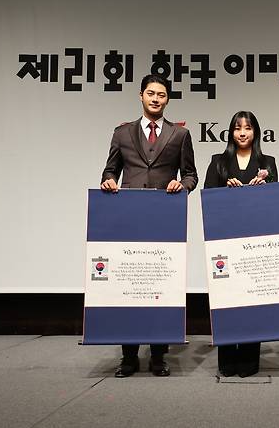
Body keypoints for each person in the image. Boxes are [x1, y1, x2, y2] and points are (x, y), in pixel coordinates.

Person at [100, 74, 198, 378]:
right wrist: (108, 180)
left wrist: (180, 184)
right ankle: (128, 356)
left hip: (164, 219)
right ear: (141, 96)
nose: (156, 99)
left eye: (162, 95)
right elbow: (109, 169)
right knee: (128, 286)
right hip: (129, 219)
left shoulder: (179, 135)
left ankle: (159, 355)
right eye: (151, 93)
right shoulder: (122, 133)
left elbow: (192, 176)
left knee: (161, 286)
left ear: (167, 100)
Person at [204, 110, 277, 377]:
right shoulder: (218, 161)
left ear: (256, 131)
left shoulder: (267, 161)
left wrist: (263, 186)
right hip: (224, 241)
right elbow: (208, 199)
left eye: (247, 128)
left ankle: (249, 358)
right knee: (227, 298)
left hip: (255, 244)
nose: (242, 132)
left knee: (252, 298)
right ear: (231, 132)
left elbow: (274, 203)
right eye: (237, 128)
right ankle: (227, 357)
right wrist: (226, 189)